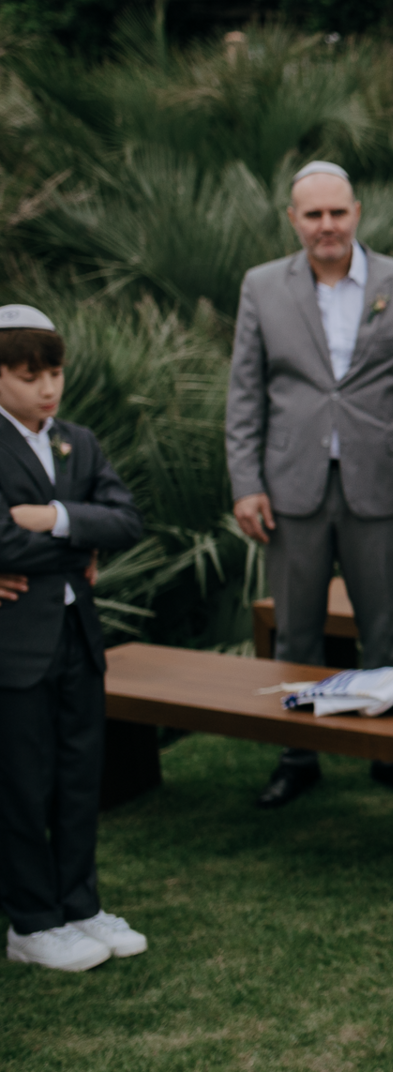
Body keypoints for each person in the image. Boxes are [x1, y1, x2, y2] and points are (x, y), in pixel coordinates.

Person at [226, 162, 393, 808]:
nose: (327, 226)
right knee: (296, 630)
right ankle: (297, 754)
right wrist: (246, 482)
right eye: (313, 215)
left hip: (378, 484)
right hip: (289, 484)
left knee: (384, 628)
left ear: (356, 213)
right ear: (293, 220)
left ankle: (391, 753)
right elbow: (244, 394)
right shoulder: (262, 287)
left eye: (337, 213)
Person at [0, 305, 147, 973]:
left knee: (80, 775)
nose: (47, 388)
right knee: (24, 782)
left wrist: (54, 516)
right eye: (29, 375)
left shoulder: (78, 442)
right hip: (15, 646)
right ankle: (32, 920)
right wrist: (75, 542)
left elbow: (126, 522)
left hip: (77, 637)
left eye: (54, 372)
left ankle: (80, 905)